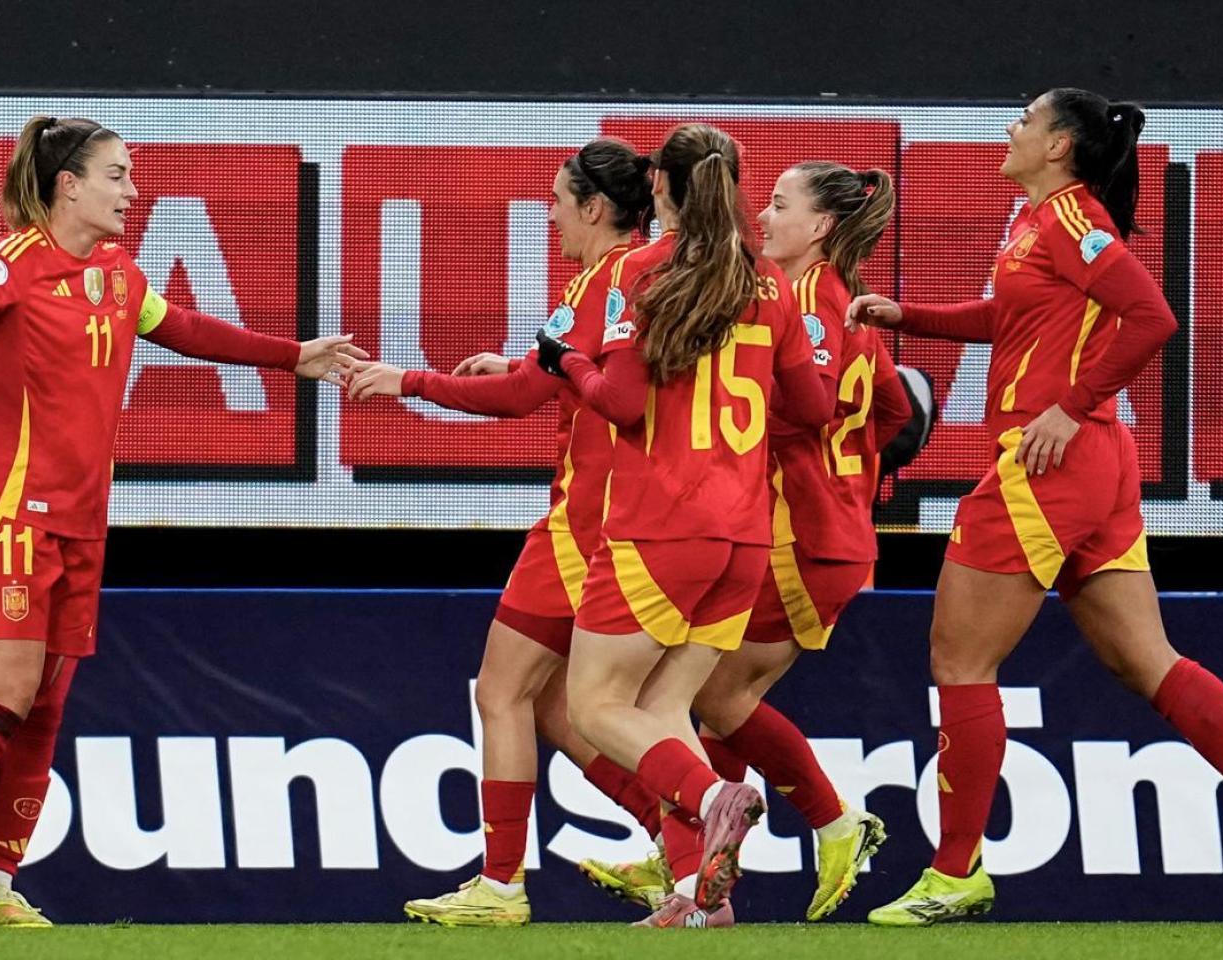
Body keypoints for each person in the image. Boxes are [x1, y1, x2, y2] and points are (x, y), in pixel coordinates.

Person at [850, 89, 1223, 926]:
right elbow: (1010, 318)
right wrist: (910, 317)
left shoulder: (1073, 220)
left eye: (1026, 121)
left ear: (1060, 144)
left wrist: (1069, 406)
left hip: (1048, 464)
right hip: (1096, 466)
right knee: (1145, 661)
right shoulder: (1035, 220)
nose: (1011, 129)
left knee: (961, 665)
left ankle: (956, 873)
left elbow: (1152, 317)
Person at [0, 115, 363, 928]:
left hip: (81, 523)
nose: (132, 191)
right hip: (5, 517)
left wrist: (293, 356)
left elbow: (183, 329)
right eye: (116, 174)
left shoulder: (116, 270)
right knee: (2, 699)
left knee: (44, 709)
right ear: (68, 184)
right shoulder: (19, 259)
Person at [345, 138, 671, 925]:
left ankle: (501, 886)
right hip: (625, 518)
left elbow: (528, 397)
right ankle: (684, 849)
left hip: (582, 522)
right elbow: (554, 380)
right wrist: (519, 366)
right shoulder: (625, 276)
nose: (550, 211)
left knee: (500, 692)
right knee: (557, 708)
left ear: (594, 208)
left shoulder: (611, 278)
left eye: (559, 198)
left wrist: (407, 380)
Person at [578, 160, 912, 921]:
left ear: (821, 226)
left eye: (780, 204)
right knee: (691, 701)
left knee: (710, 696)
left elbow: (813, 408)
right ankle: (698, 880)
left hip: (796, 532)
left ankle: (827, 821)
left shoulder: (805, 297)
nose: (762, 216)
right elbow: (890, 409)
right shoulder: (829, 299)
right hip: (817, 527)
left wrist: (795, 468)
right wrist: (855, 481)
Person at [535, 122, 833, 927]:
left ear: (660, 188)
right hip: (743, 538)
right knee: (665, 710)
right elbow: (811, 409)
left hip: (661, 526)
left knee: (593, 706)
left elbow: (622, 403)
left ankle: (713, 797)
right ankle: (700, 896)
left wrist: (567, 362)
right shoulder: (767, 282)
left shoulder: (642, 268)